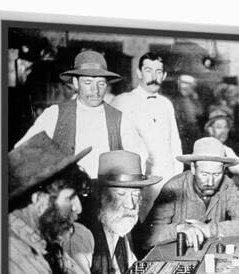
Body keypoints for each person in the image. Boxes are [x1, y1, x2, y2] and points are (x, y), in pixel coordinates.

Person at [8, 132, 138, 274]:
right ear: (39, 201)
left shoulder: (43, 242)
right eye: (69, 198)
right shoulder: (16, 254)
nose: (78, 208)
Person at [15, 50, 146, 178]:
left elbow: (140, 157)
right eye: (88, 83)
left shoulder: (120, 119)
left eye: (101, 83)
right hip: (67, 196)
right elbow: (22, 154)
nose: (95, 90)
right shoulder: (54, 115)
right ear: (76, 83)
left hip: (106, 194)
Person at [67, 150, 176, 274]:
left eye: (135, 195)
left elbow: (132, 268)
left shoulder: (119, 222)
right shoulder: (79, 235)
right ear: (101, 194)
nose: (131, 205)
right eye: (121, 195)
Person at [144, 137, 239, 250]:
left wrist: (208, 230)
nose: (210, 182)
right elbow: (147, 236)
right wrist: (179, 229)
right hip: (175, 257)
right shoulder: (174, 188)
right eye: (204, 174)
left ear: (224, 170)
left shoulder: (227, 185)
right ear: (193, 168)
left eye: (216, 175)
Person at [112, 52, 183, 220]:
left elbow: (175, 143)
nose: (154, 76)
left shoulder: (166, 104)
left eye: (158, 72)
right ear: (139, 73)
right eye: (148, 70)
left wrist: (176, 179)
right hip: (138, 180)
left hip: (166, 180)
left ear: (164, 75)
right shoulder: (123, 101)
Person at [203, 109, 239, 177]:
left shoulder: (226, 149)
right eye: (219, 127)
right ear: (210, 130)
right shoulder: (203, 147)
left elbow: (237, 163)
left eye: (225, 127)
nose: (224, 131)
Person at [172, 74, 205, 154]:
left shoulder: (194, 100)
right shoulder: (175, 101)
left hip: (194, 133)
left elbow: (200, 113)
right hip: (183, 134)